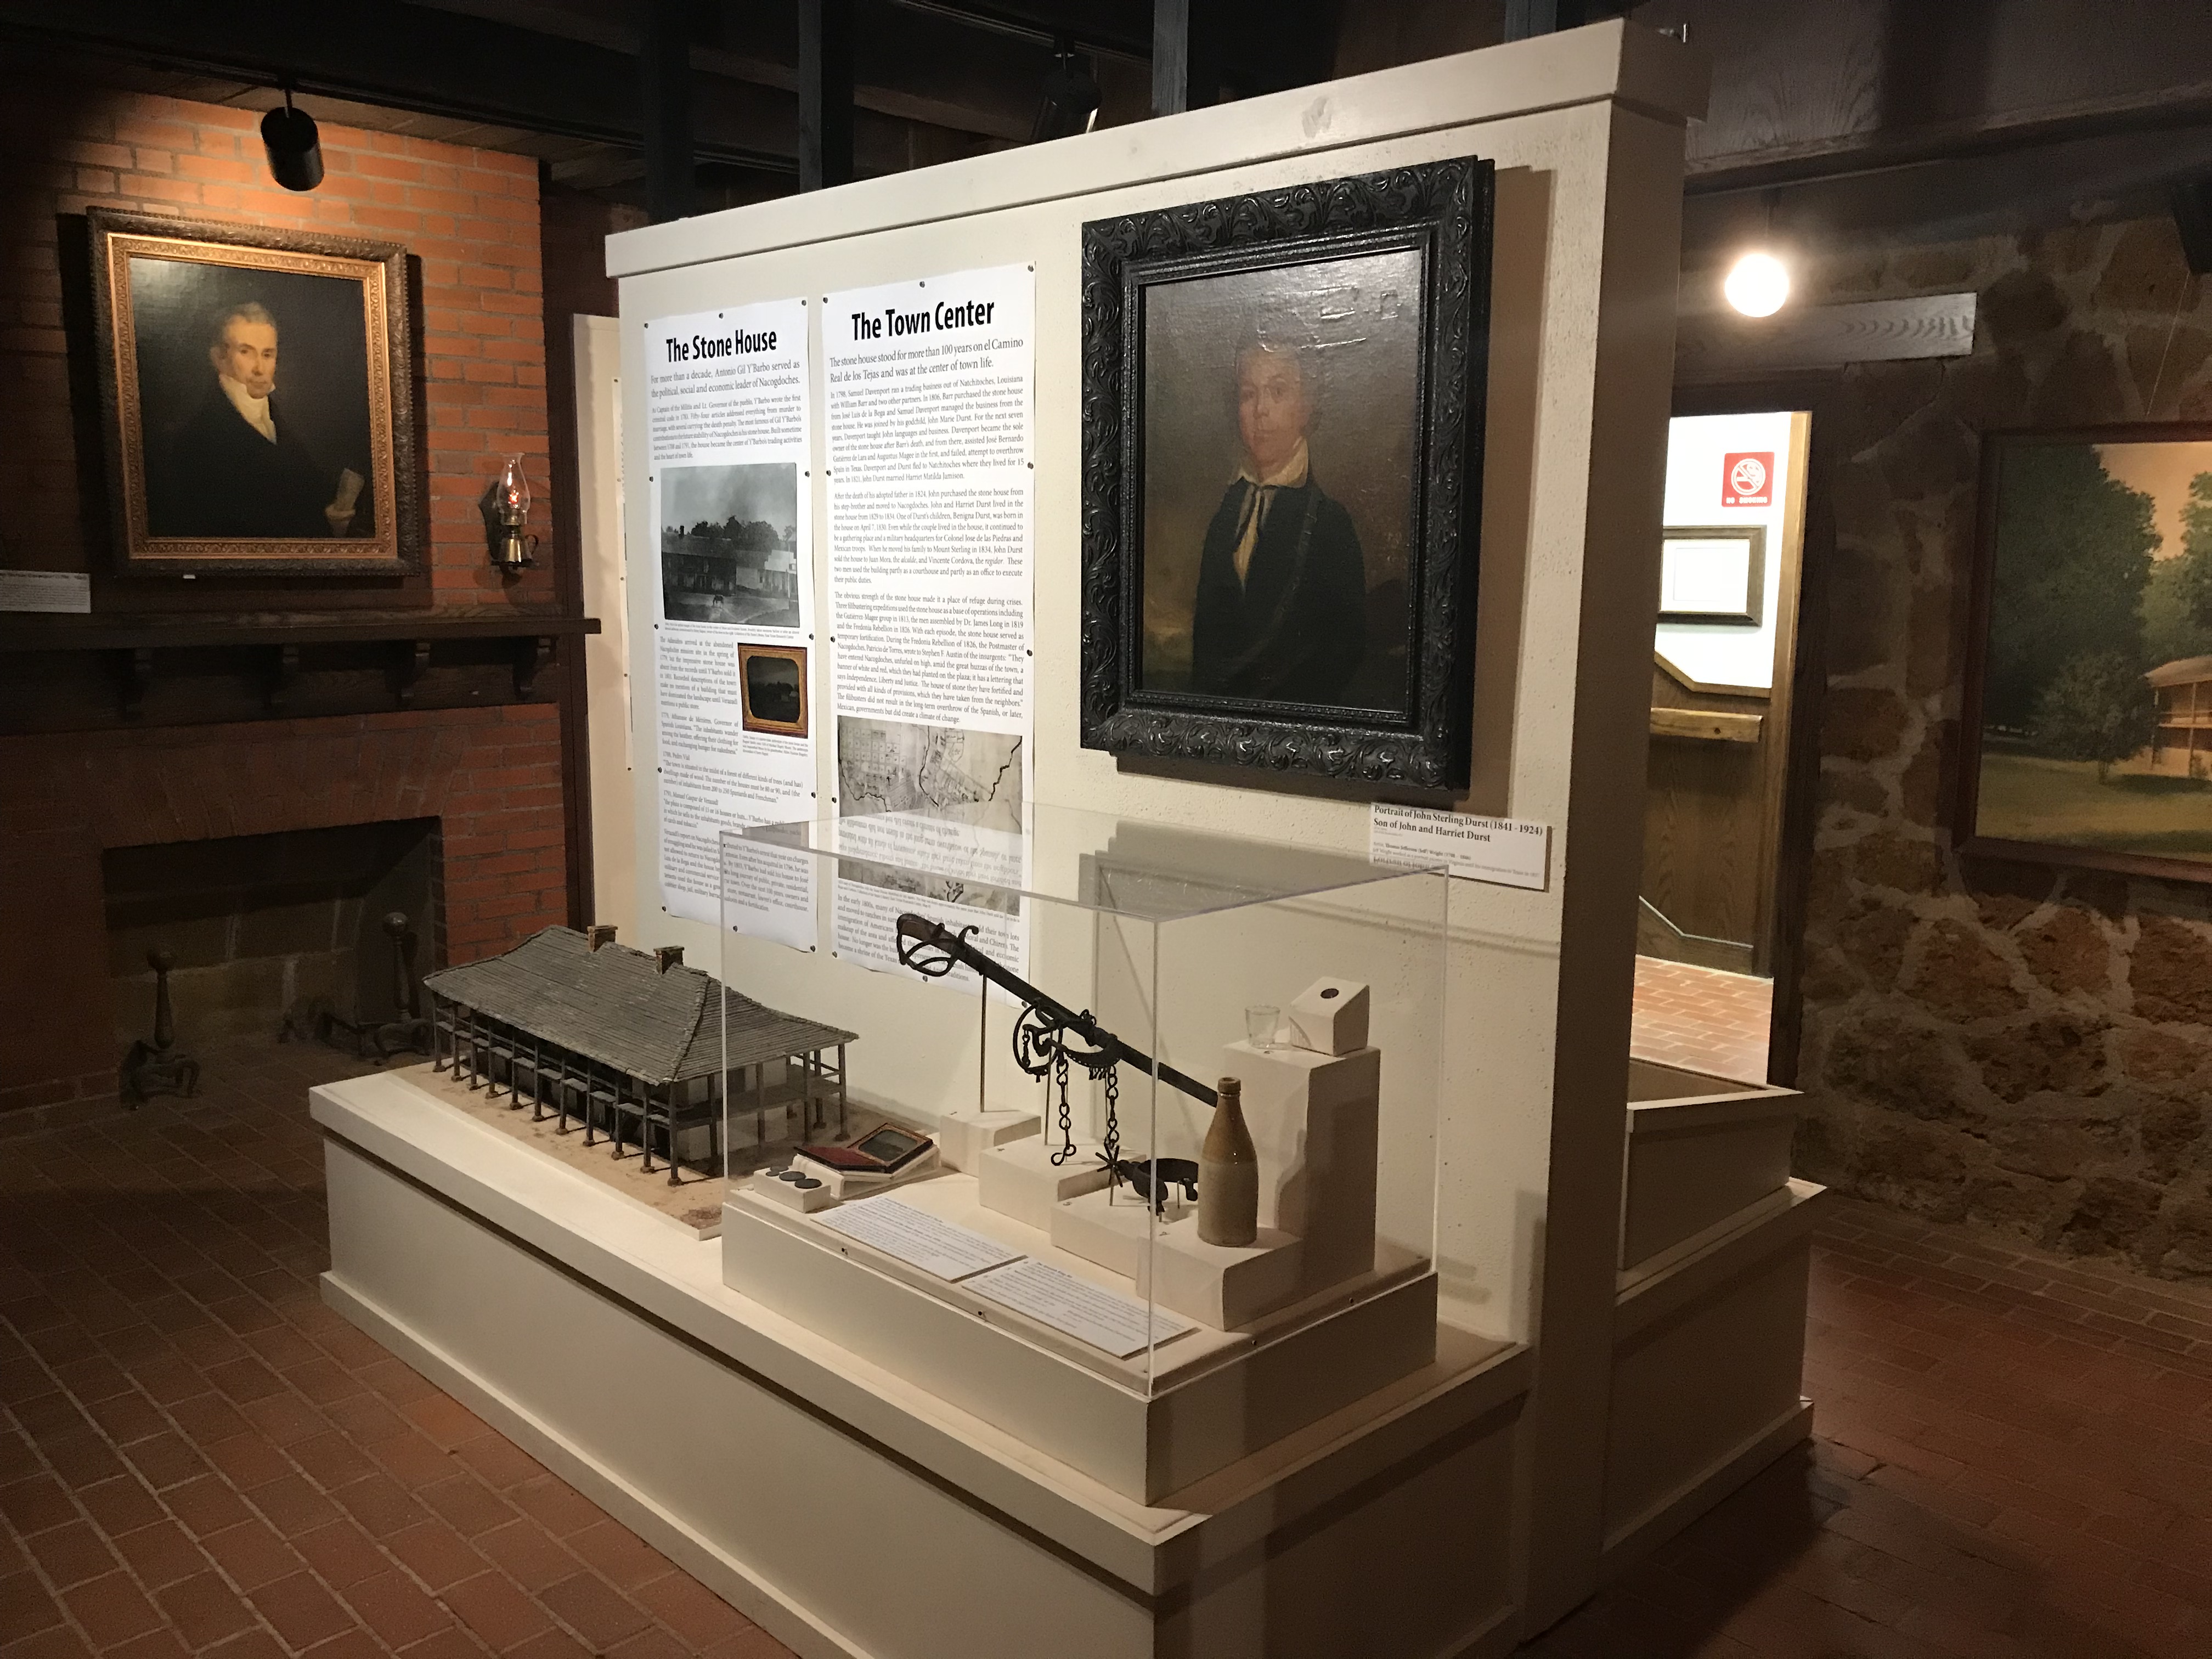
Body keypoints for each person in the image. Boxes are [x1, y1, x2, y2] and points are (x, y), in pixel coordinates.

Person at [1187, 338, 1365, 705]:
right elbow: (1206, 644)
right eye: (1248, 395)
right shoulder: (1225, 515)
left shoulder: (1330, 524)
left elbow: (1344, 653)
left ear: (1306, 406)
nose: (1261, 411)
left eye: (1278, 392)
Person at [150, 301, 362, 539]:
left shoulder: (277, 420)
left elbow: (307, 489)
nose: (260, 368)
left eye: (267, 354)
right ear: (219, 358)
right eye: (246, 352)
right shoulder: (196, 439)